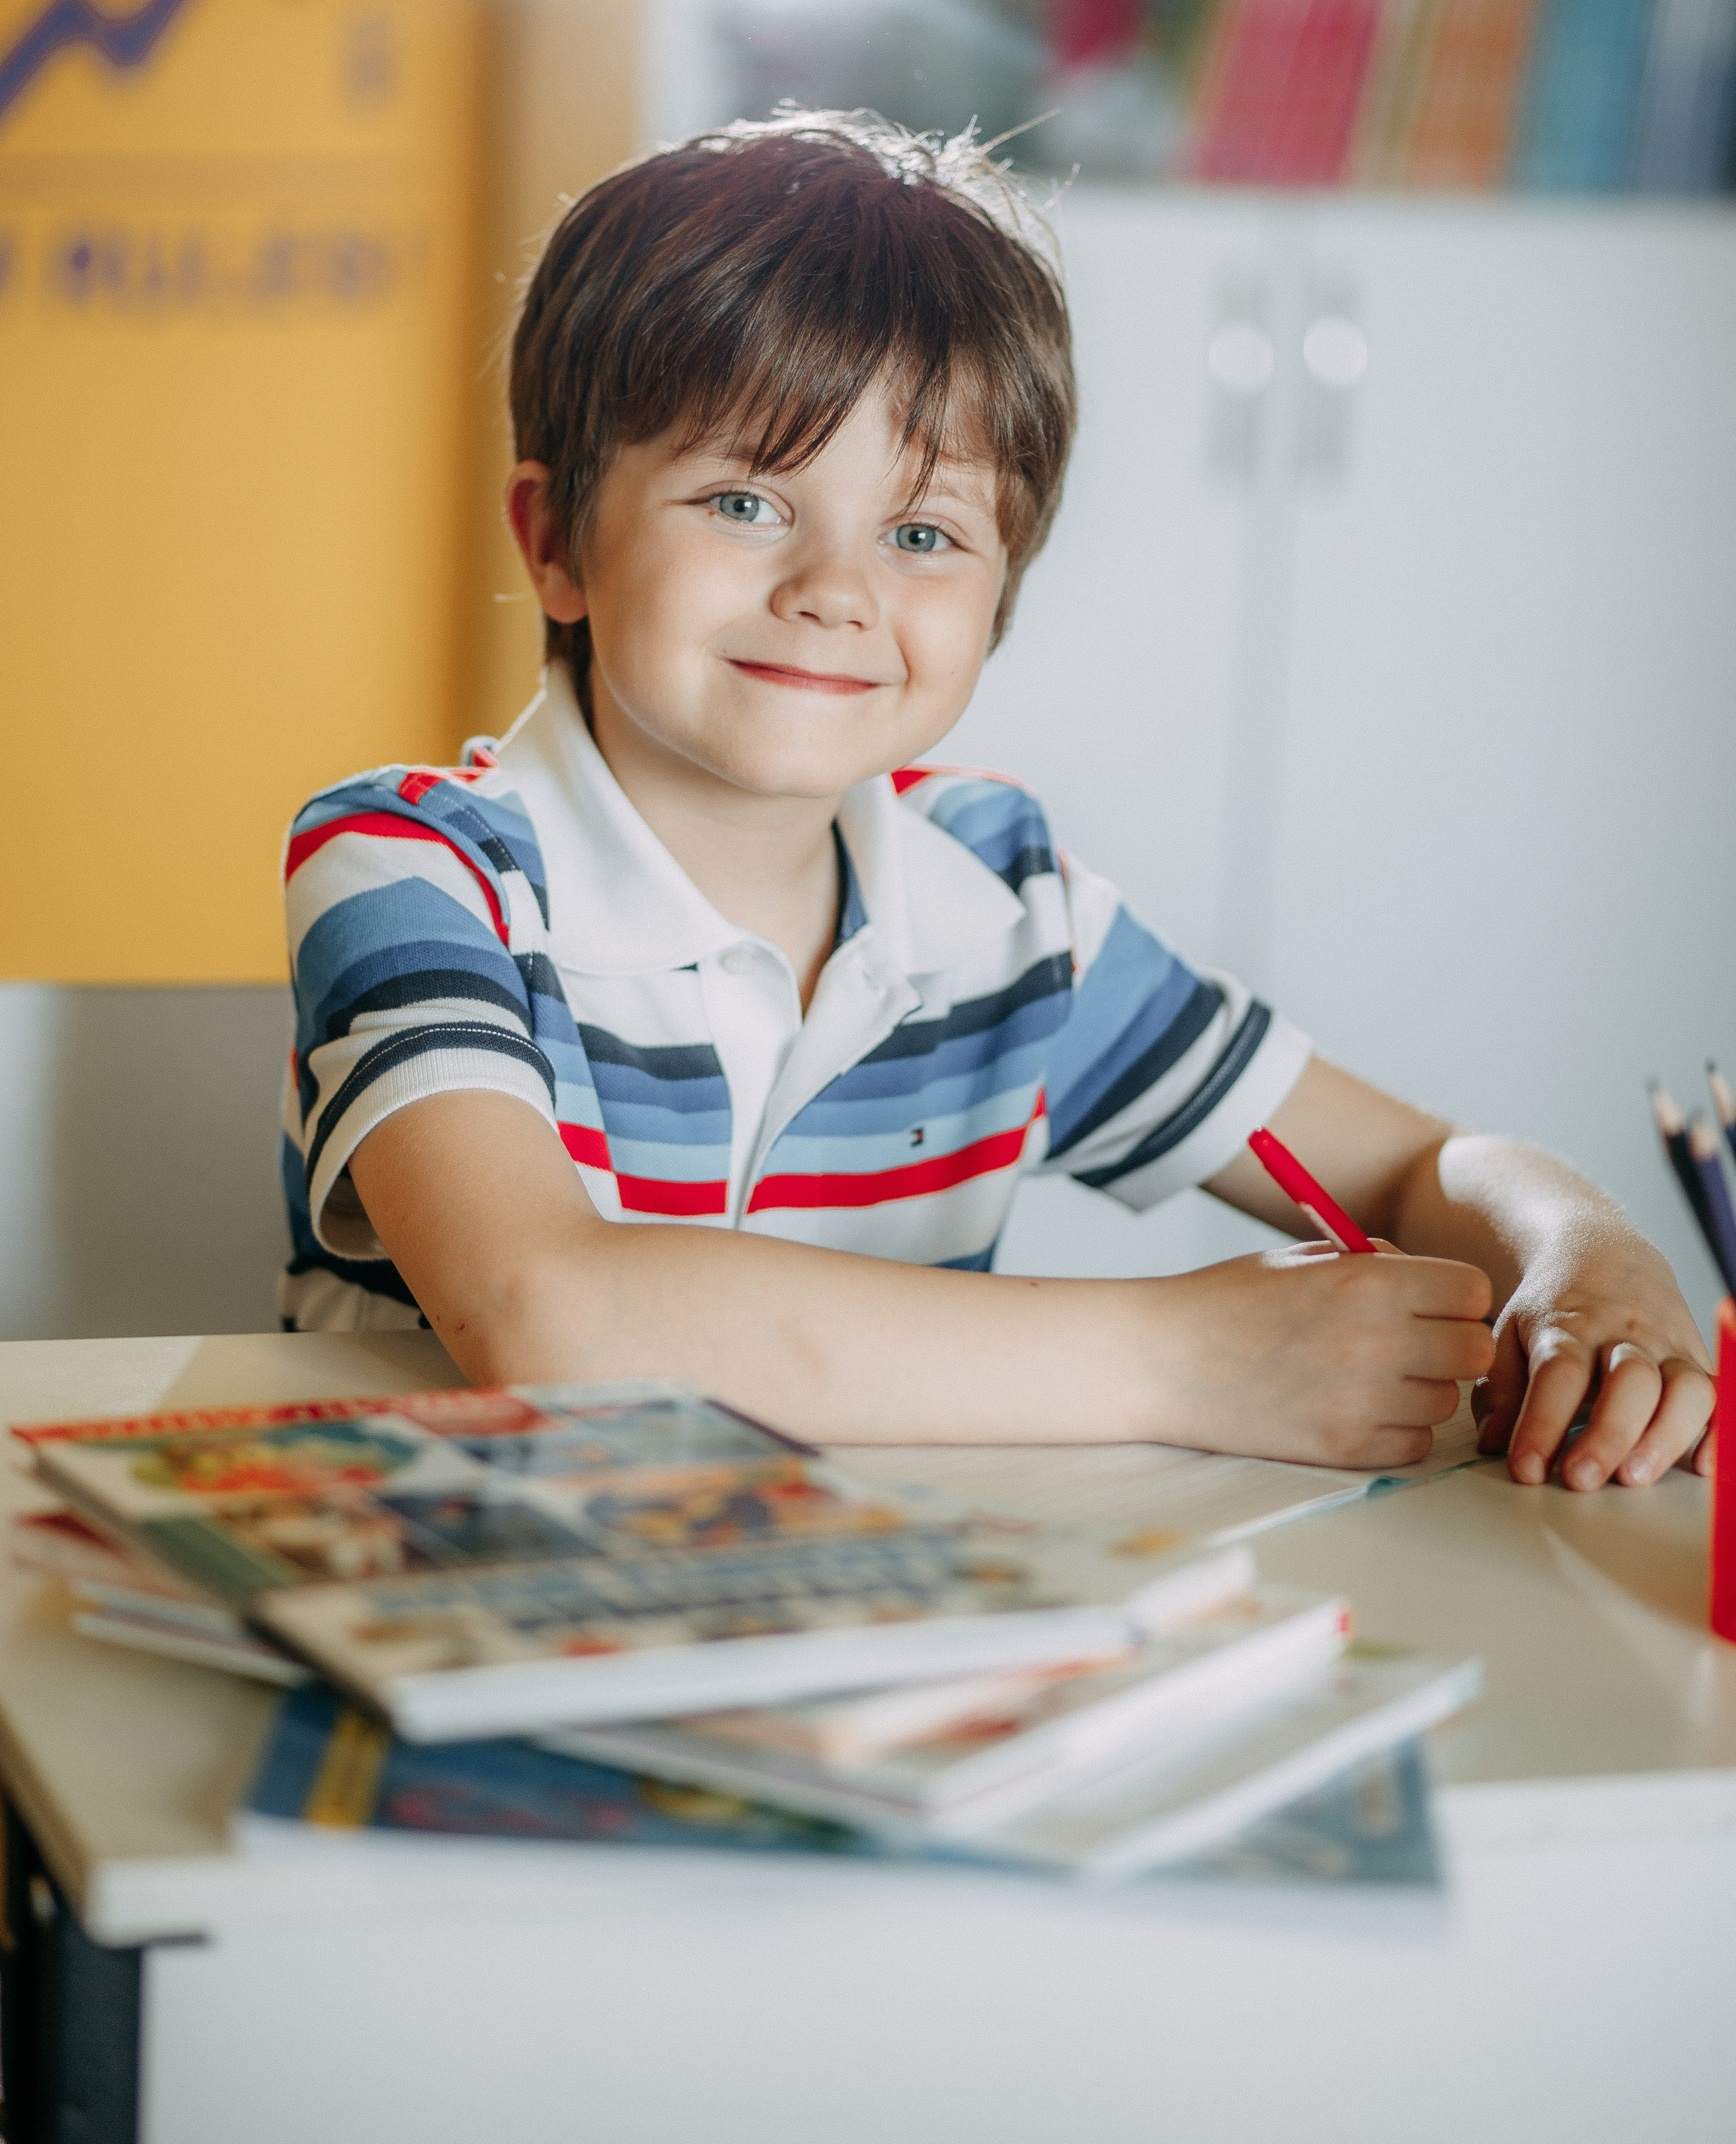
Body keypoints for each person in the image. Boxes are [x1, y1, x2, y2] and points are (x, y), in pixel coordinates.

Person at [280, 111, 1713, 1489]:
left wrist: (1589, 1255)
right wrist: (1174, 1358)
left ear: (1001, 592)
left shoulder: (1002, 904)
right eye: (742, 502)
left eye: (920, 533)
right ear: (555, 543)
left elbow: (1413, 1165)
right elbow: (551, 1317)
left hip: (882, 1656)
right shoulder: (415, 873)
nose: (834, 591)